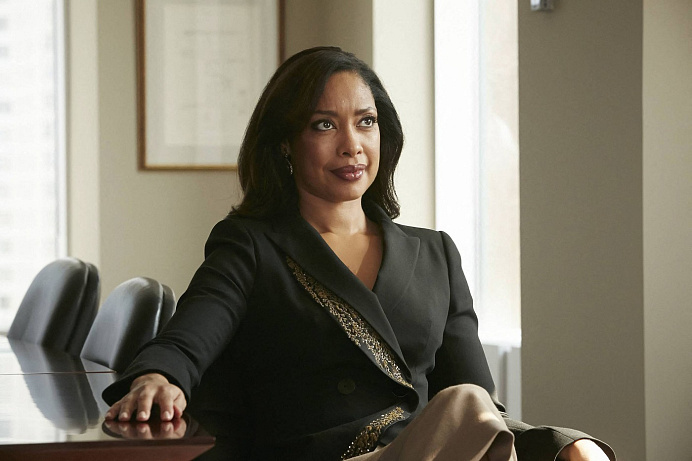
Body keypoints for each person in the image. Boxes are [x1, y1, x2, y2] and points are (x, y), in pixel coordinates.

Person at [103, 47, 615, 461]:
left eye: (365, 122)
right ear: (285, 143)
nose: (351, 145)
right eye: (324, 125)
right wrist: (158, 377)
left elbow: (481, 413)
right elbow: (190, 335)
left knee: (480, 408)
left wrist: (562, 444)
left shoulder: (435, 253)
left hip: (427, 449)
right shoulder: (250, 244)